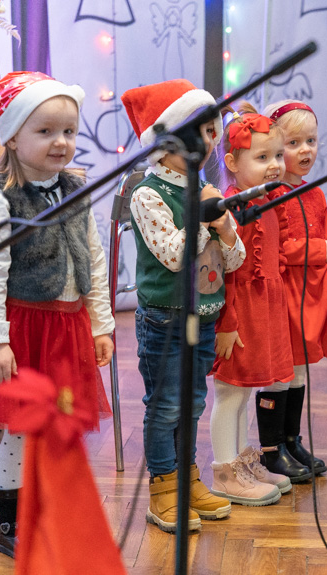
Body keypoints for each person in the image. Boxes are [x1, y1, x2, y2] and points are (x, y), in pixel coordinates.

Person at [0, 71, 115, 557]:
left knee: (59, 427)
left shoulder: (73, 188)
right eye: (45, 131)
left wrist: (101, 323)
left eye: (68, 132)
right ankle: (11, 526)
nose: (61, 142)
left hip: (68, 325)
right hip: (23, 328)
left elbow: (92, 259)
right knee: (22, 429)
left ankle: (46, 509)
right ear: (11, 136)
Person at [122, 79, 243, 532]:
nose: (209, 144)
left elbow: (233, 260)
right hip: (165, 320)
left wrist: (226, 229)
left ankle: (188, 480)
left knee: (193, 403)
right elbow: (173, 255)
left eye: (213, 132)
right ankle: (163, 489)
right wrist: (204, 217)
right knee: (166, 405)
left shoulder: (208, 190)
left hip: (205, 315)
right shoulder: (148, 193)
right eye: (199, 133)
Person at [262, 99, 327, 476]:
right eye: (293, 143)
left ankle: (290, 440)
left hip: (309, 291)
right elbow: (281, 248)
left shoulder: (314, 191)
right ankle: (271, 449)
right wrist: (324, 250)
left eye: (312, 141)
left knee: (299, 371)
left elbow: (320, 239)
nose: (305, 151)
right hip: (283, 293)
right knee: (281, 372)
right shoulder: (270, 194)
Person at [210, 103, 294, 504]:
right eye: (262, 158)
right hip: (238, 310)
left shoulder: (267, 200)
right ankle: (224, 471)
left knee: (244, 391)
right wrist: (227, 322)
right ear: (231, 161)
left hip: (262, 306)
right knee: (230, 392)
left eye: (278, 156)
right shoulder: (228, 208)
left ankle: (242, 461)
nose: (275, 165)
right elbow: (221, 273)